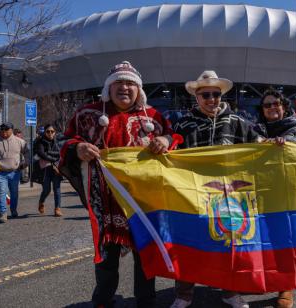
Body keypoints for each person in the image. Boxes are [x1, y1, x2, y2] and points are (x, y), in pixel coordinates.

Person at [58, 61, 173, 307]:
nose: (124, 87)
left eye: (130, 83)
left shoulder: (153, 116)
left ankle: (146, 300)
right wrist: (78, 148)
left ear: (139, 89)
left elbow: (175, 139)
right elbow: (65, 140)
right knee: (107, 256)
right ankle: (103, 299)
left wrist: (164, 138)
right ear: (108, 88)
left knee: (145, 252)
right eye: (118, 82)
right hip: (105, 198)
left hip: (144, 199)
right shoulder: (87, 114)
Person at [171, 70, 261, 308]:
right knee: (189, 242)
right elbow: (169, 151)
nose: (211, 99)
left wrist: (283, 145)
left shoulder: (238, 121)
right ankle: (184, 294)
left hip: (228, 195)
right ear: (196, 97)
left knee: (229, 241)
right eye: (206, 95)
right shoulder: (183, 123)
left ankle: (230, 291)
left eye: (215, 94)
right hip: (191, 193)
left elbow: (260, 145)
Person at [254, 88, 296, 308]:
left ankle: (286, 287)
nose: (272, 108)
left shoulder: (295, 129)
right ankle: (266, 278)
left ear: (283, 107)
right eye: (267, 105)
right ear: (262, 110)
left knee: (284, 240)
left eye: (276, 104)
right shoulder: (254, 131)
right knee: (260, 239)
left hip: (286, 194)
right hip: (259, 192)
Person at [0, 122, 29, 222]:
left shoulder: (19, 141)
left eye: (6, 130)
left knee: (14, 193)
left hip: (15, 172)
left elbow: (27, 152)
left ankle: (13, 210)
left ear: (11, 130)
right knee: (1, 192)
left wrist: (25, 163)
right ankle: (3, 213)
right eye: (2, 131)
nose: (4, 133)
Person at [34, 124, 63, 217]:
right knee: (47, 189)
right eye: (48, 131)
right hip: (45, 169)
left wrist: (49, 153)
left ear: (55, 132)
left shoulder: (57, 141)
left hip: (56, 168)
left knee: (57, 188)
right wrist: (53, 158)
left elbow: (60, 153)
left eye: (52, 131)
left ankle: (57, 208)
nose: (50, 133)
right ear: (45, 132)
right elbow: (41, 154)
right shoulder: (40, 141)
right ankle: (41, 202)